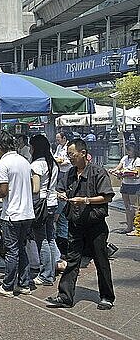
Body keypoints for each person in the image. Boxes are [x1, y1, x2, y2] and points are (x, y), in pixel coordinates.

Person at [46, 139, 115, 310]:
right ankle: (65, 296)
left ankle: (107, 296)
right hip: (75, 224)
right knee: (72, 260)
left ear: (83, 153)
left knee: (101, 260)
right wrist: (61, 194)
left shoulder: (98, 172)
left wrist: (85, 200)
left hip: (95, 224)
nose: (70, 158)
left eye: (72, 155)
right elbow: (60, 188)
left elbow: (107, 196)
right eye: (69, 155)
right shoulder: (70, 173)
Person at [0, 131, 34, 298]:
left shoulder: (3, 163)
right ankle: (24, 283)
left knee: (12, 250)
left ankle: (7, 286)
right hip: (27, 212)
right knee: (21, 248)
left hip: (12, 213)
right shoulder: (24, 161)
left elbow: (3, 191)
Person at [29, 135, 60, 286]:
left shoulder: (36, 165)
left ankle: (46, 275)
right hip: (52, 202)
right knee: (51, 238)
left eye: (31, 146)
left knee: (42, 240)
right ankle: (51, 271)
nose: (29, 149)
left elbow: (35, 189)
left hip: (40, 205)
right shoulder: (53, 163)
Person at [109, 143, 140, 235]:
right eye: (127, 150)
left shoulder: (138, 160)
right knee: (127, 207)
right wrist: (115, 171)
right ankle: (129, 227)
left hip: (134, 185)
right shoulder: (125, 158)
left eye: (130, 150)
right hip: (125, 184)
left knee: (134, 207)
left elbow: (137, 174)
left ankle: (137, 228)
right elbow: (118, 168)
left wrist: (126, 173)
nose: (128, 152)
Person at [54, 131, 72, 255]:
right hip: (60, 173)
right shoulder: (59, 147)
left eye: (59, 138)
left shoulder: (69, 148)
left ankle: (64, 245)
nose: (57, 141)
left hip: (66, 172)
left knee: (62, 217)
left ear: (64, 138)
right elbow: (56, 157)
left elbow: (67, 161)